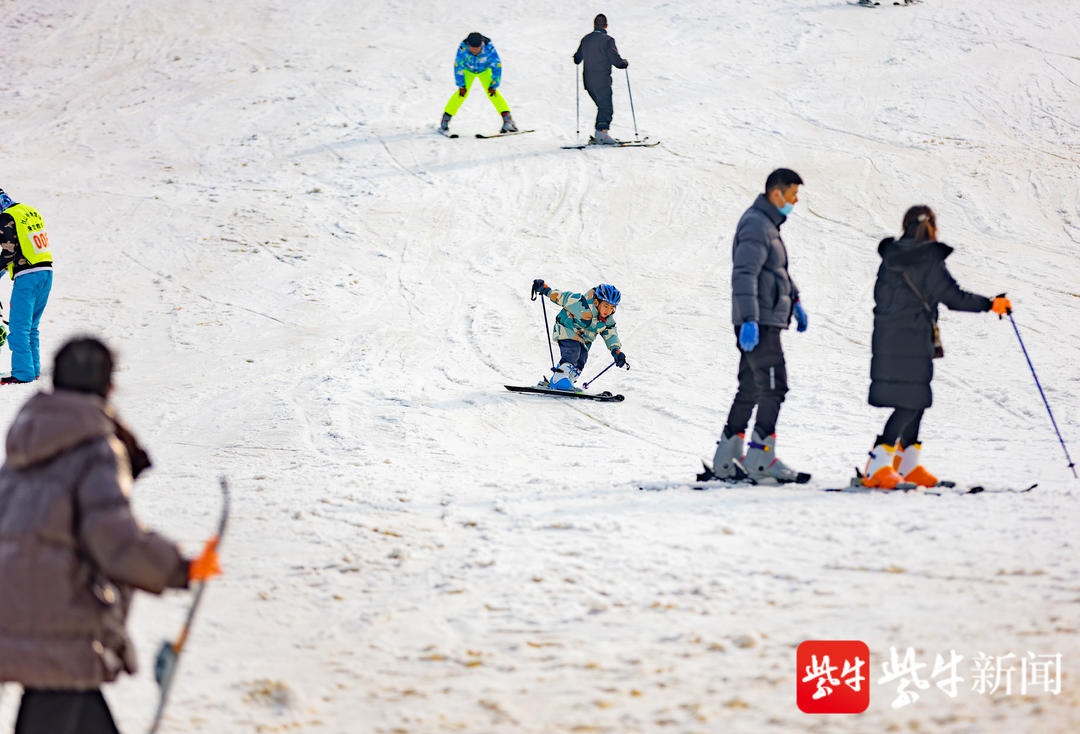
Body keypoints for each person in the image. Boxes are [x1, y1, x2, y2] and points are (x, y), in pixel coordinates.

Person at [0, 337, 222, 734]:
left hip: (19, 615)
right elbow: (115, 539)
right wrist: (180, 568)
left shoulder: (24, 447)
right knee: (56, 705)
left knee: (79, 714)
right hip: (59, 624)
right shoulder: (94, 447)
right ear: (108, 386)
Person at [862, 205, 1011, 488]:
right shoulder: (928, 259)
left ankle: (907, 466)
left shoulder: (890, 258)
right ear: (932, 227)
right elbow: (953, 297)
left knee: (916, 400)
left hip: (887, 338)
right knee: (911, 402)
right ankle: (877, 466)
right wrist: (991, 304)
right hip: (913, 339)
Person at [709, 168, 809, 484]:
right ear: (776, 193)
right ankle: (761, 457)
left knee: (751, 387)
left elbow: (776, 272)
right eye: (792, 195)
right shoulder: (756, 224)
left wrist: (795, 300)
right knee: (774, 386)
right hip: (760, 322)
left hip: (765, 319)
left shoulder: (767, 225)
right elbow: (744, 274)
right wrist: (750, 319)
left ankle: (728, 457)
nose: (795, 201)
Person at [530, 279, 628, 391]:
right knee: (573, 352)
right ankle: (558, 380)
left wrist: (616, 351)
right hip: (567, 330)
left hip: (584, 339)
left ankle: (564, 380)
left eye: (612, 308)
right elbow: (562, 297)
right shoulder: (580, 303)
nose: (608, 311)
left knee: (582, 359)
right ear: (596, 302)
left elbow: (611, 333)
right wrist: (544, 289)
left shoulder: (607, 320)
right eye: (606, 306)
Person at [0, 187, 53, 385]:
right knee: (31, 326)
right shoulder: (29, 211)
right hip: (46, 273)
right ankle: (33, 369)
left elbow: (8, 253)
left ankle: (22, 374)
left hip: (27, 278)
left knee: (18, 327)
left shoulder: (6, 217)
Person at [440, 32, 518, 135]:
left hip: (484, 70)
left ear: (481, 44)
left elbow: (497, 66)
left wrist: (493, 85)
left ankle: (508, 121)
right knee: (461, 94)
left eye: (478, 48)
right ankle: (445, 120)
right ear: (468, 45)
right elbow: (458, 66)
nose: (475, 51)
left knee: (493, 94)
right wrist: (461, 85)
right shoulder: (463, 49)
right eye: (473, 49)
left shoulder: (489, 48)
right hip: (468, 70)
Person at [572, 14, 629, 145]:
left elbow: (577, 58)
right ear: (606, 26)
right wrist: (623, 63)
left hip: (588, 82)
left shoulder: (586, 39)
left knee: (602, 107)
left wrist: (576, 58)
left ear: (594, 25)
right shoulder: (608, 40)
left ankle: (601, 133)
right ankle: (601, 135)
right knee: (606, 107)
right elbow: (616, 60)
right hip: (601, 80)